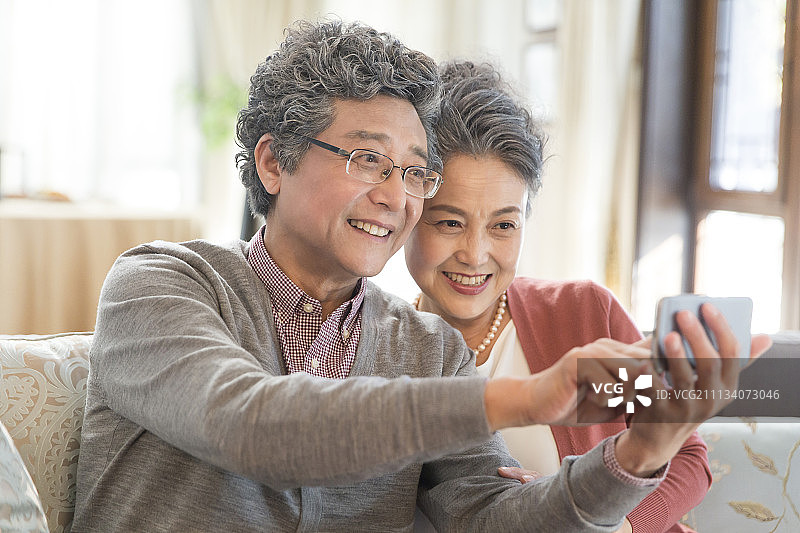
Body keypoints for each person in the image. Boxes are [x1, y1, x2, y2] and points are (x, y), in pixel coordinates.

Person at [73, 20, 770, 532]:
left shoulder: (427, 347)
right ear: (273, 162)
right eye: (367, 160)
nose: (395, 195)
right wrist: (525, 397)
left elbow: (494, 517)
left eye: (412, 172)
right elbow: (254, 424)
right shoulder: (161, 286)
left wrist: (638, 452)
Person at [404, 60, 716, 532]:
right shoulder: (378, 353)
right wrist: (537, 512)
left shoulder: (580, 316)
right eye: (449, 222)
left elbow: (688, 454)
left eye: (504, 225)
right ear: (408, 213)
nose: (475, 253)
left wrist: (609, 523)